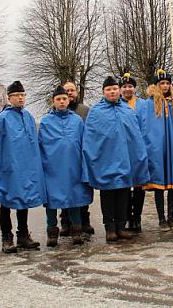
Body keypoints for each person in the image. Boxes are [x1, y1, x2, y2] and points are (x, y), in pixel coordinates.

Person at [82, 76, 150, 243]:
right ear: (103, 92)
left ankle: (121, 226)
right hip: (106, 161)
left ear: (118, 91)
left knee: (123, 194)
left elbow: (135, 136)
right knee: (108, 195)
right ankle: (110, 228)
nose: (112, 92)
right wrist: (94, 159)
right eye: (108, 89)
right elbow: (91, 138)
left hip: (125, 161)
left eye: (114, 89)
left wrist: (138, 157)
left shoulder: (127, 110)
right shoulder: (96, 111)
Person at [0, 81, 45, 253]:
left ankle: (23, 235)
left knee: (24, 200)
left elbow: (33, 143)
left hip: (26, 168)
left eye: (23, 95)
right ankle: (6, 237)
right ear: (9, 98)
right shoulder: (3, 118)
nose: (21, 98)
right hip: (9, 167)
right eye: (17, 95)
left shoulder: (28, 117)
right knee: (6, 202)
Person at [39, 85, 93, 247]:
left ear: (69, 100)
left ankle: (77, 231)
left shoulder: (77, 120)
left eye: (64, 99)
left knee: (74, 198)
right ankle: (52, 231)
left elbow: (84, 142)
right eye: (58, 99)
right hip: (52, 168)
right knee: (52, 202)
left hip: (73, 166)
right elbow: (41, 145)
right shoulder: (46, 121)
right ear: (53, 101)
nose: (62, 102)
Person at [142, 69, 173, 231]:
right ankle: (161, 218)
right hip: (157, 148)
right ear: (156, 85)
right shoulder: (149, 103)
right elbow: (147, 127)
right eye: (162, 83)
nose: (165, 86)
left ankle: (171, 216)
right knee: (160, 184)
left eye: (168, 83)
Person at [60, 81, 94, 236]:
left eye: (72, 90)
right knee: (65, 189)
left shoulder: (84, 110)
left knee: (83, 189)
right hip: (65, 159)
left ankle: (84, 220)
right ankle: (66, 222)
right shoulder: (56, 111)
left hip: (82, 155)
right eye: (66, 91)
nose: (69, 93)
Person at [119, 73, 146, 232]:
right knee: (124, 186)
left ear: (134, 88)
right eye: (124, 87)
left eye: (130, 86)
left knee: (138, 186)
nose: (128, 89)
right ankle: (127, 216)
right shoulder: (118, 105)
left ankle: (137, 217)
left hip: (139, 150)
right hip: (123, 151)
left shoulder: (142, 105)